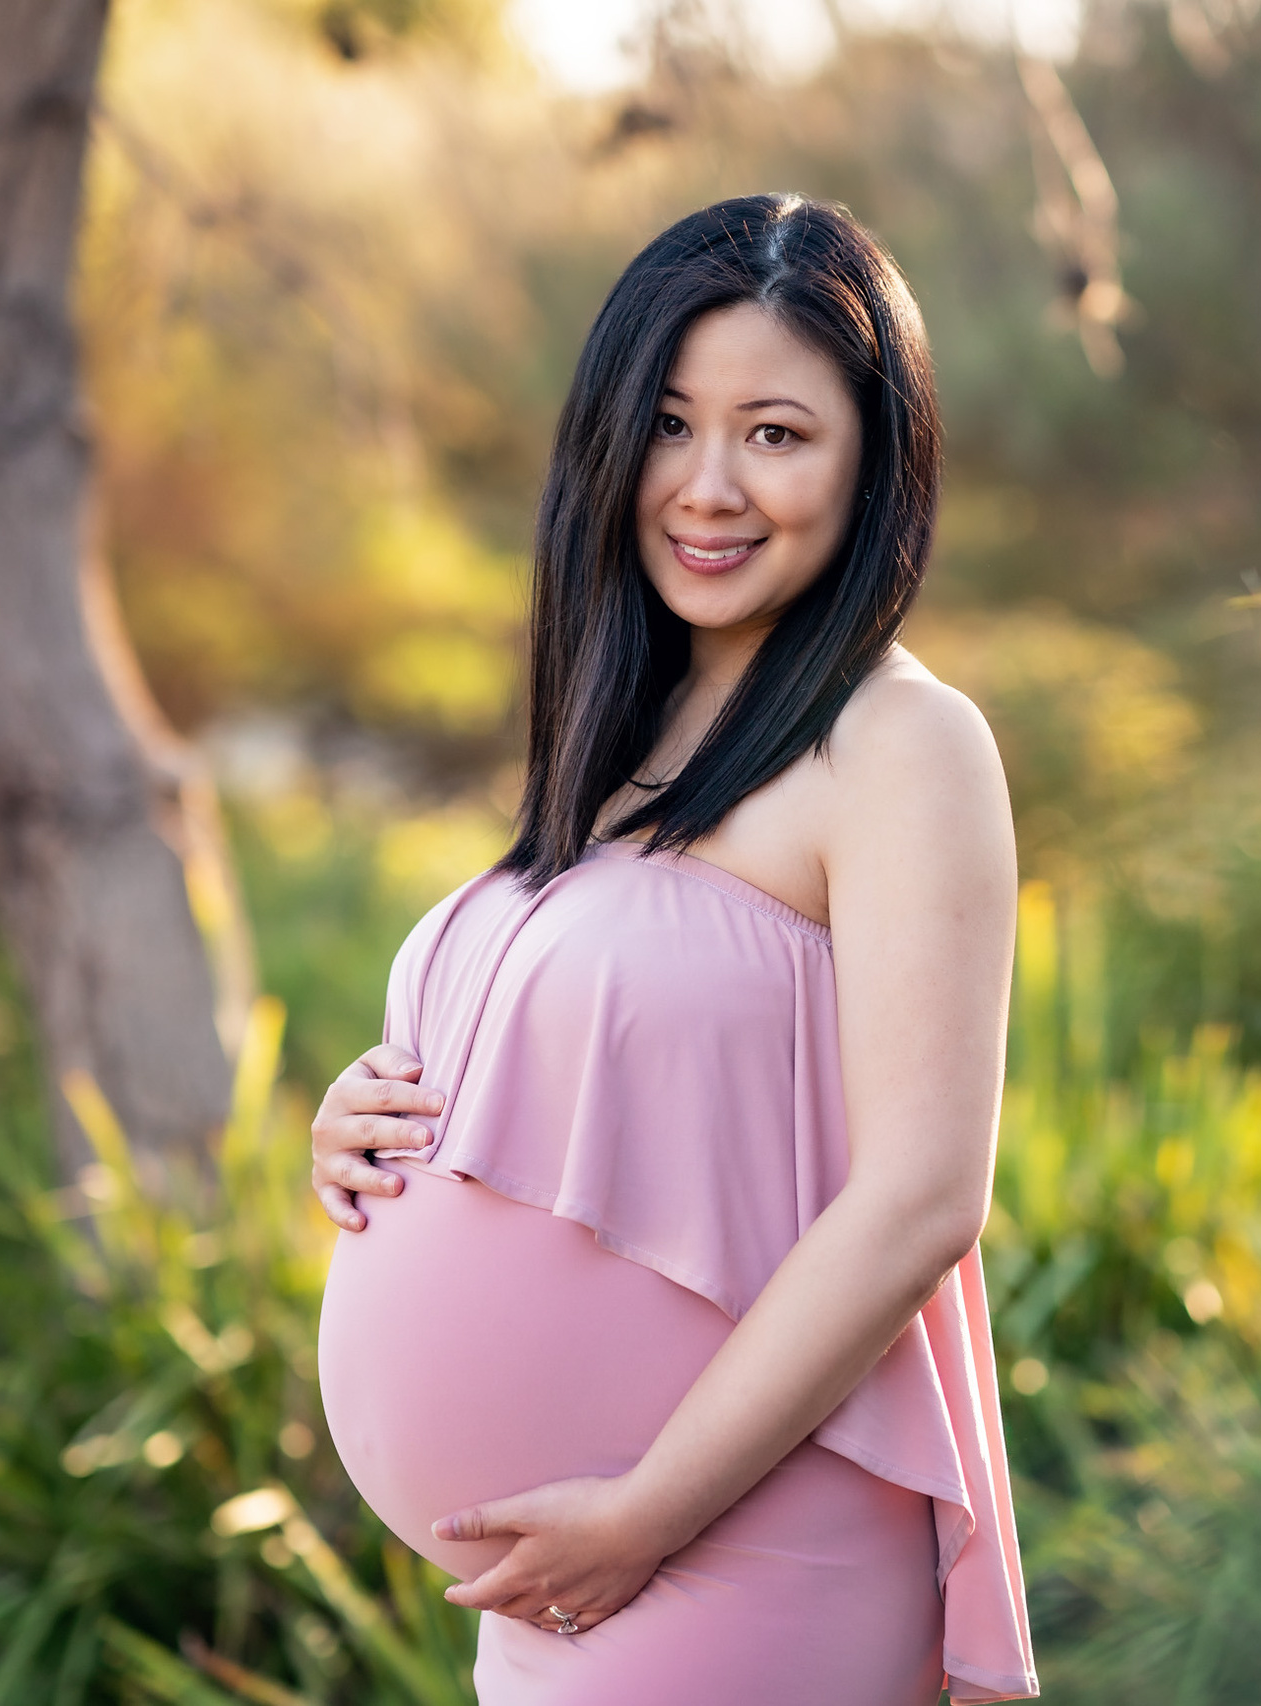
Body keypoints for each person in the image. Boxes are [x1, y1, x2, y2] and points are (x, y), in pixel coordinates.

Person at [306, 194, 1037, 1706]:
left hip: (732, 1539)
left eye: (776, 433)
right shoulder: (623, 733)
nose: (709, 487)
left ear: (872, 458)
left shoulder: (902, 742)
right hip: (568, 1580)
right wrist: (364, 1120)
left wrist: (648, 1514)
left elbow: (921, 1199)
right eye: (669, 423)